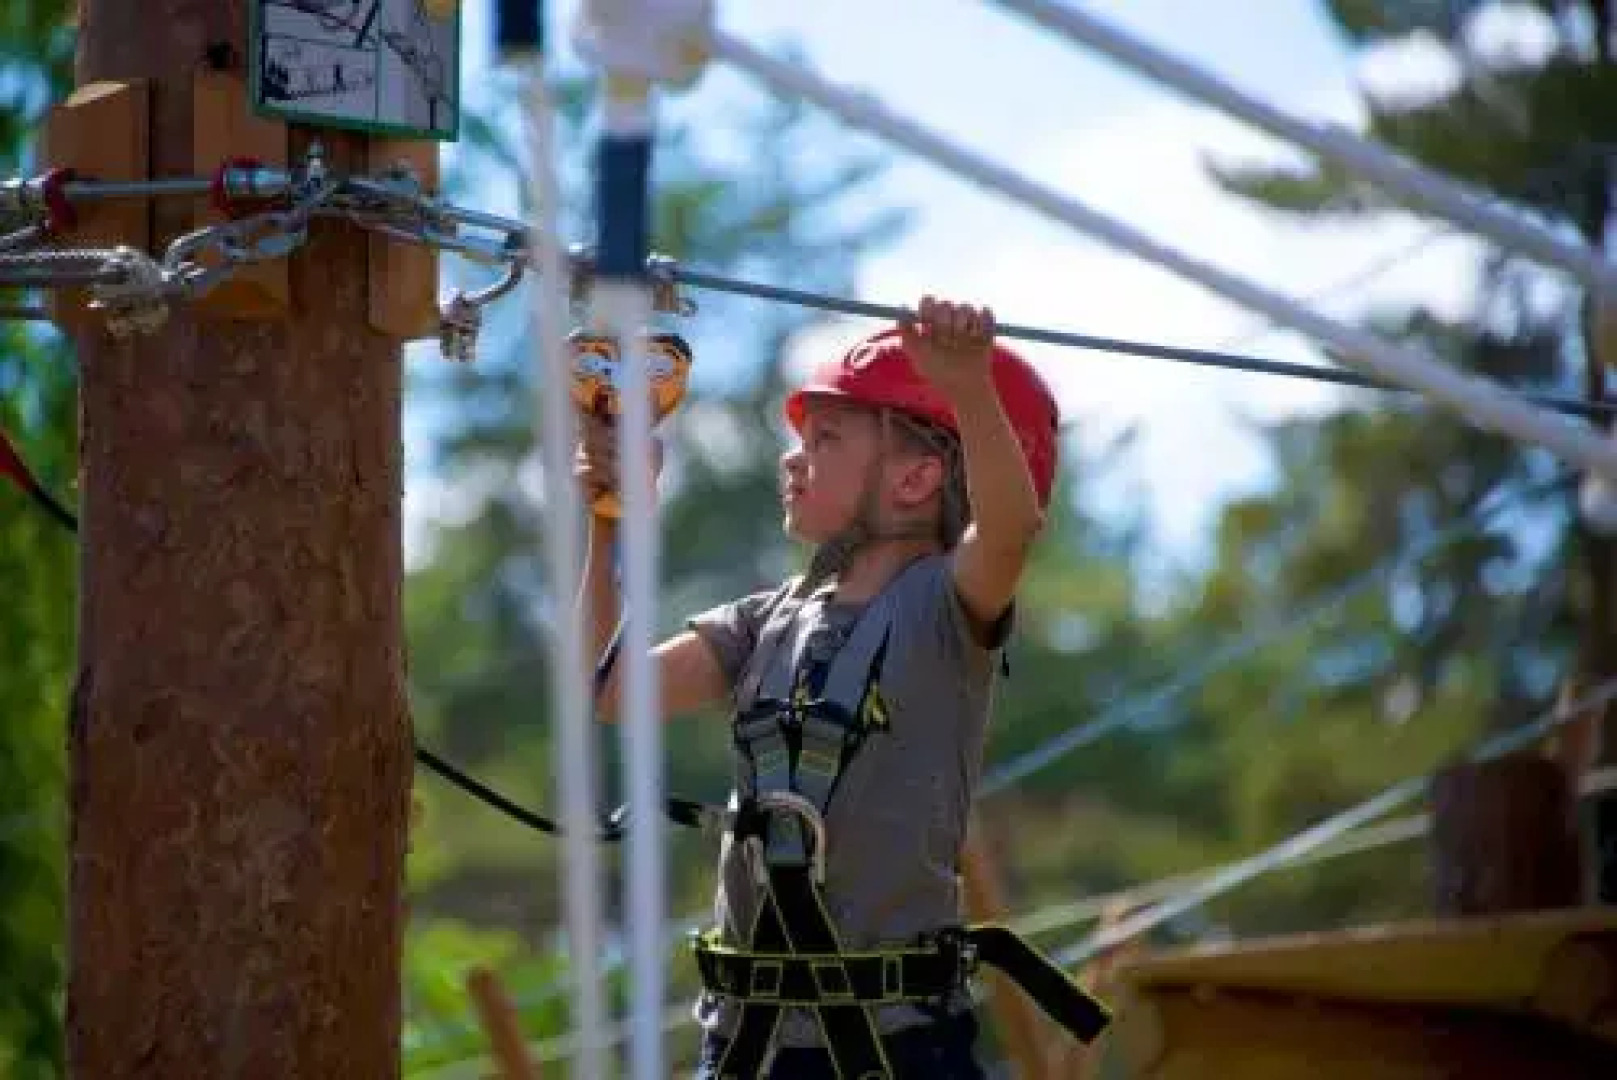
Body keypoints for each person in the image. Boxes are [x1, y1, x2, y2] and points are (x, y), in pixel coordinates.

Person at [574, 296, 1066, 1078]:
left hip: (897, 1048)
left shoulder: (945, 607)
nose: (792, 458)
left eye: (826, 438)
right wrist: (611, 520)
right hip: (745, 1045)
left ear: (917, 478)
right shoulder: (764, 619)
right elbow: (607, 690)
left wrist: (967, 388)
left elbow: (1009, 529)